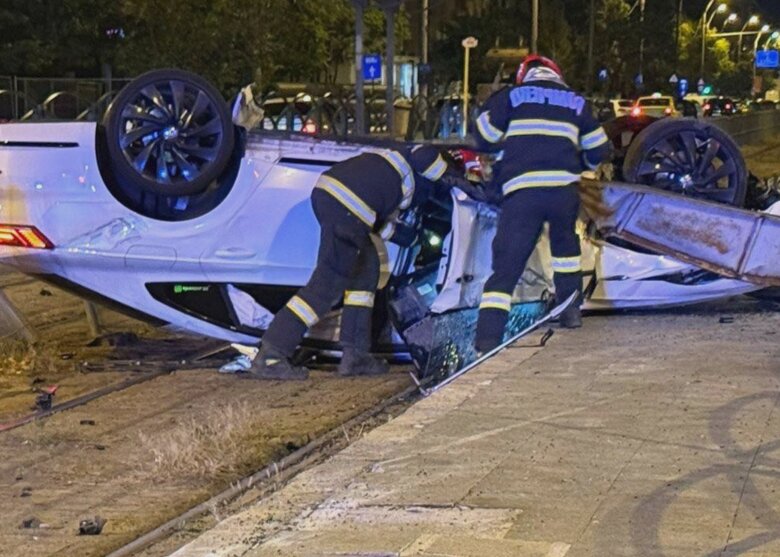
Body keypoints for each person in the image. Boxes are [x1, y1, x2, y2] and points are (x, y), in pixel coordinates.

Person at [245, 145, 485, 380]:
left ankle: (356, 356)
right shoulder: (427, 155)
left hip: (345, 202)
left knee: (366, 272)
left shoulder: (395, 178)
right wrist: (462, 183)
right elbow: (424, 156)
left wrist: (411, 238)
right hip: (349, 203)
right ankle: (272, 354)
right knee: (326, 285)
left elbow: (378, 222)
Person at [472, 55, 611, 353]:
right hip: (564, 192)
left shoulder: (511, 96)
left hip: (523, 191)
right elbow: (600, 148)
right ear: (556, 75)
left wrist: (503, 151)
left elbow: (484, 136)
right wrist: (581, 161)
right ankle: (570, 312)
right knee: (565, 252)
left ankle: (487, 338)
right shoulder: (576, 101)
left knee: (508, 264)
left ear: (525, 76)